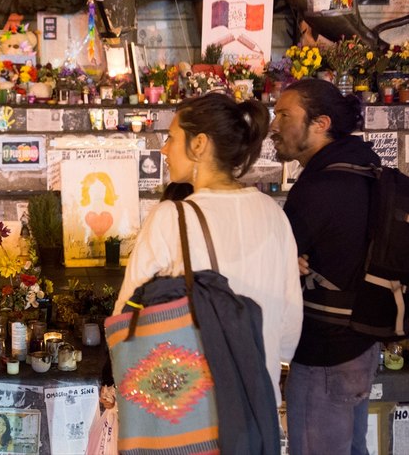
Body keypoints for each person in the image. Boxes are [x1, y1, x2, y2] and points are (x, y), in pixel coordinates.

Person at [113, 93, 303, 443]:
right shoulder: (275, 215)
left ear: (199, 144)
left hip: (192, 419)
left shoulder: (172, 218)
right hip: (257, 413)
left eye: (171, 138)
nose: (165, 150)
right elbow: (290, 330)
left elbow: (127, 322)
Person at [270, 78, 381, 455]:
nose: (273, 125)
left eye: (284, 115)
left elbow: (276, 262)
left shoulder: (321, 186)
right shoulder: (366, 169)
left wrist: (286, 259)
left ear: (321, 124)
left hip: (325, 355)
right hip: (362, 343)